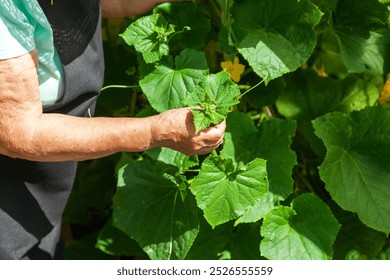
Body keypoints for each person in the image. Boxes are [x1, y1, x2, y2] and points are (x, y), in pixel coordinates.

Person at [0, 0, 225, 259]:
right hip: (8, 196)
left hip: (46, 183)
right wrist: (154, 132)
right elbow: (21, 133)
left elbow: (110, 2)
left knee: (46, 242)